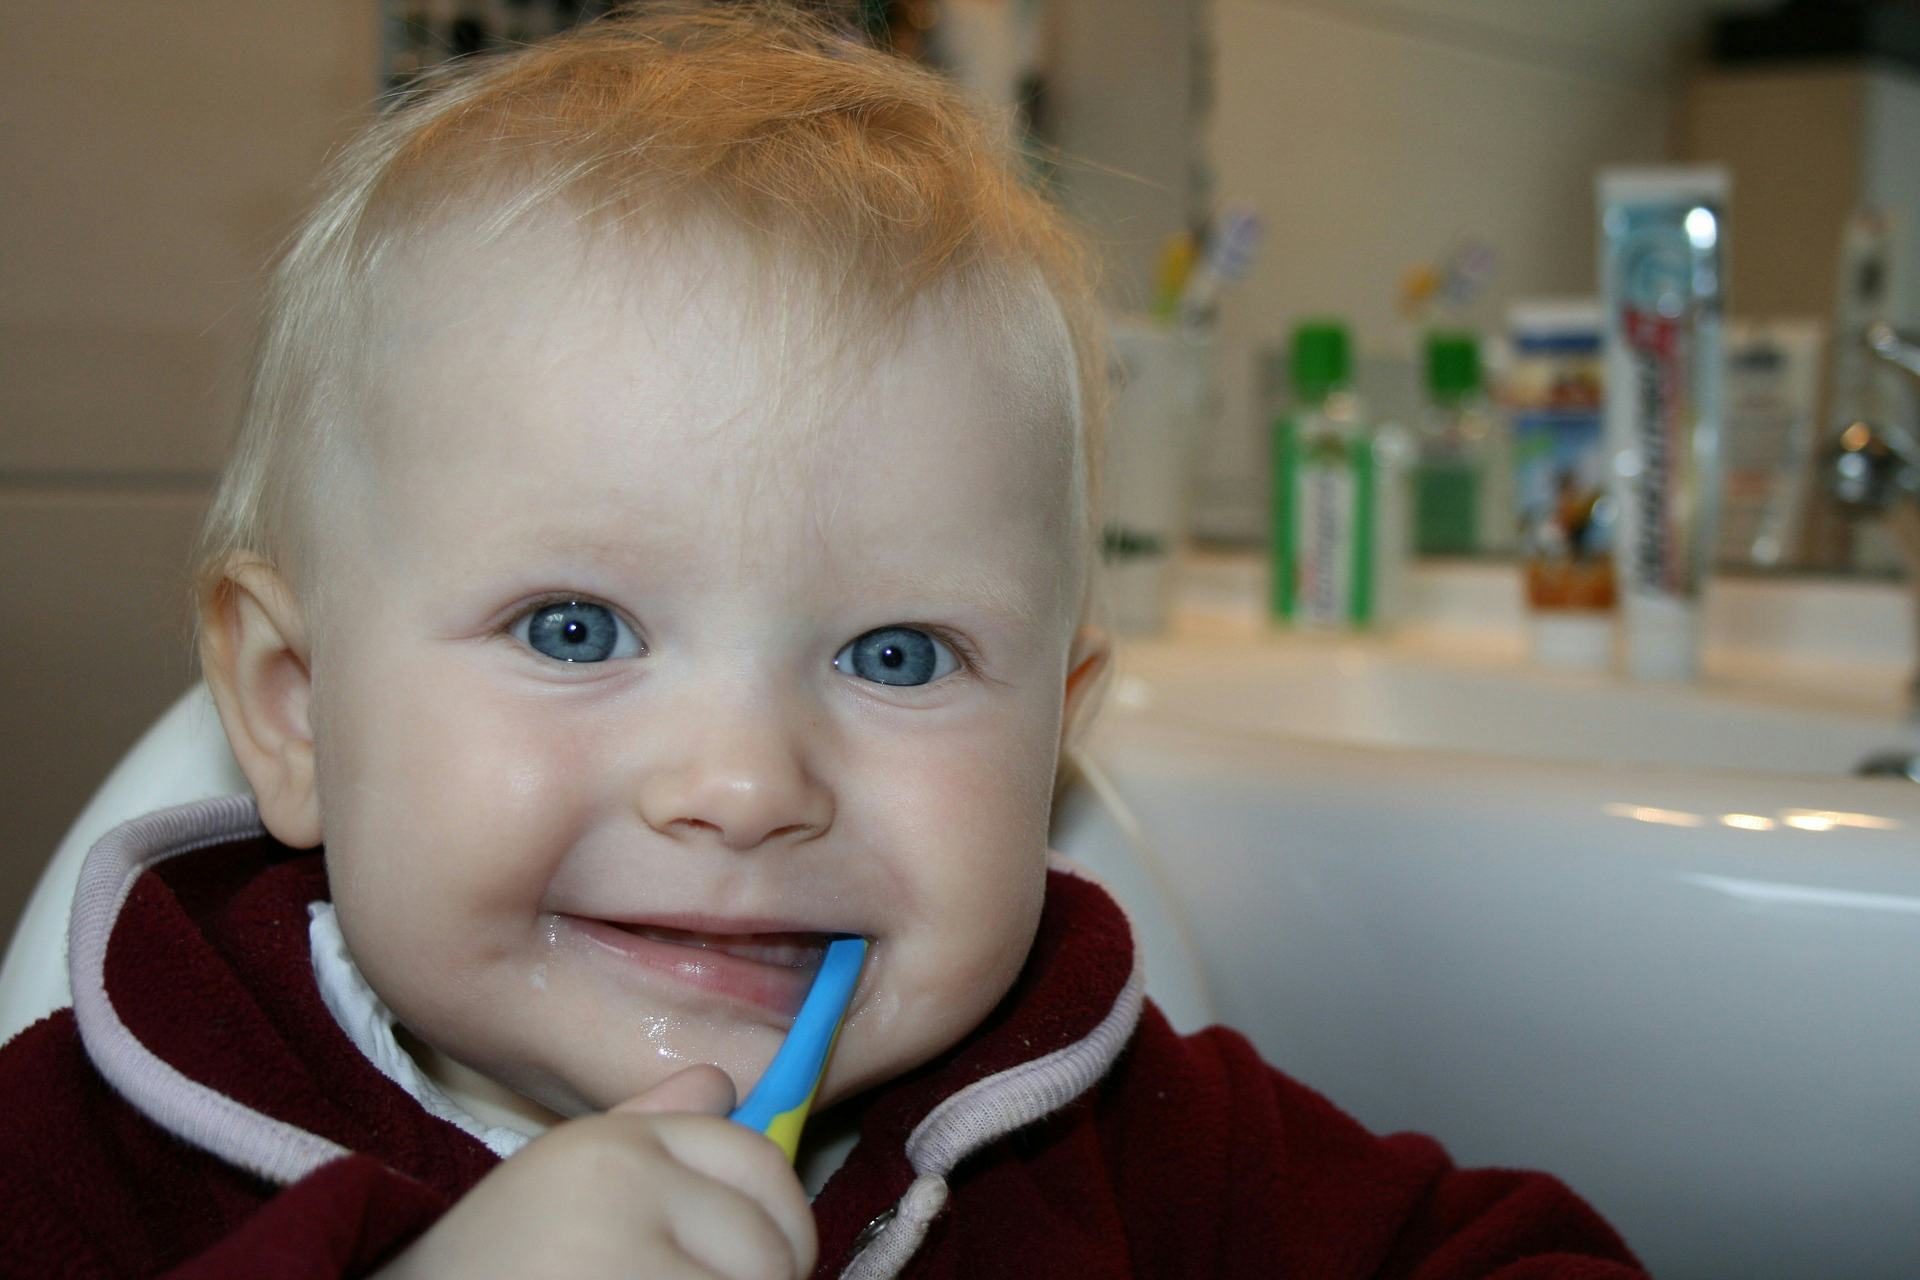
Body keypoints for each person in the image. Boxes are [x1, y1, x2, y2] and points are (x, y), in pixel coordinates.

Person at [0, 6, 1649, 1277]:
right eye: (576, 628)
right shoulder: (95, 1153)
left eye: (898, 658)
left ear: (1055, 730)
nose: (743, 784)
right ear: (292, 707)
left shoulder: (1122, 1137)